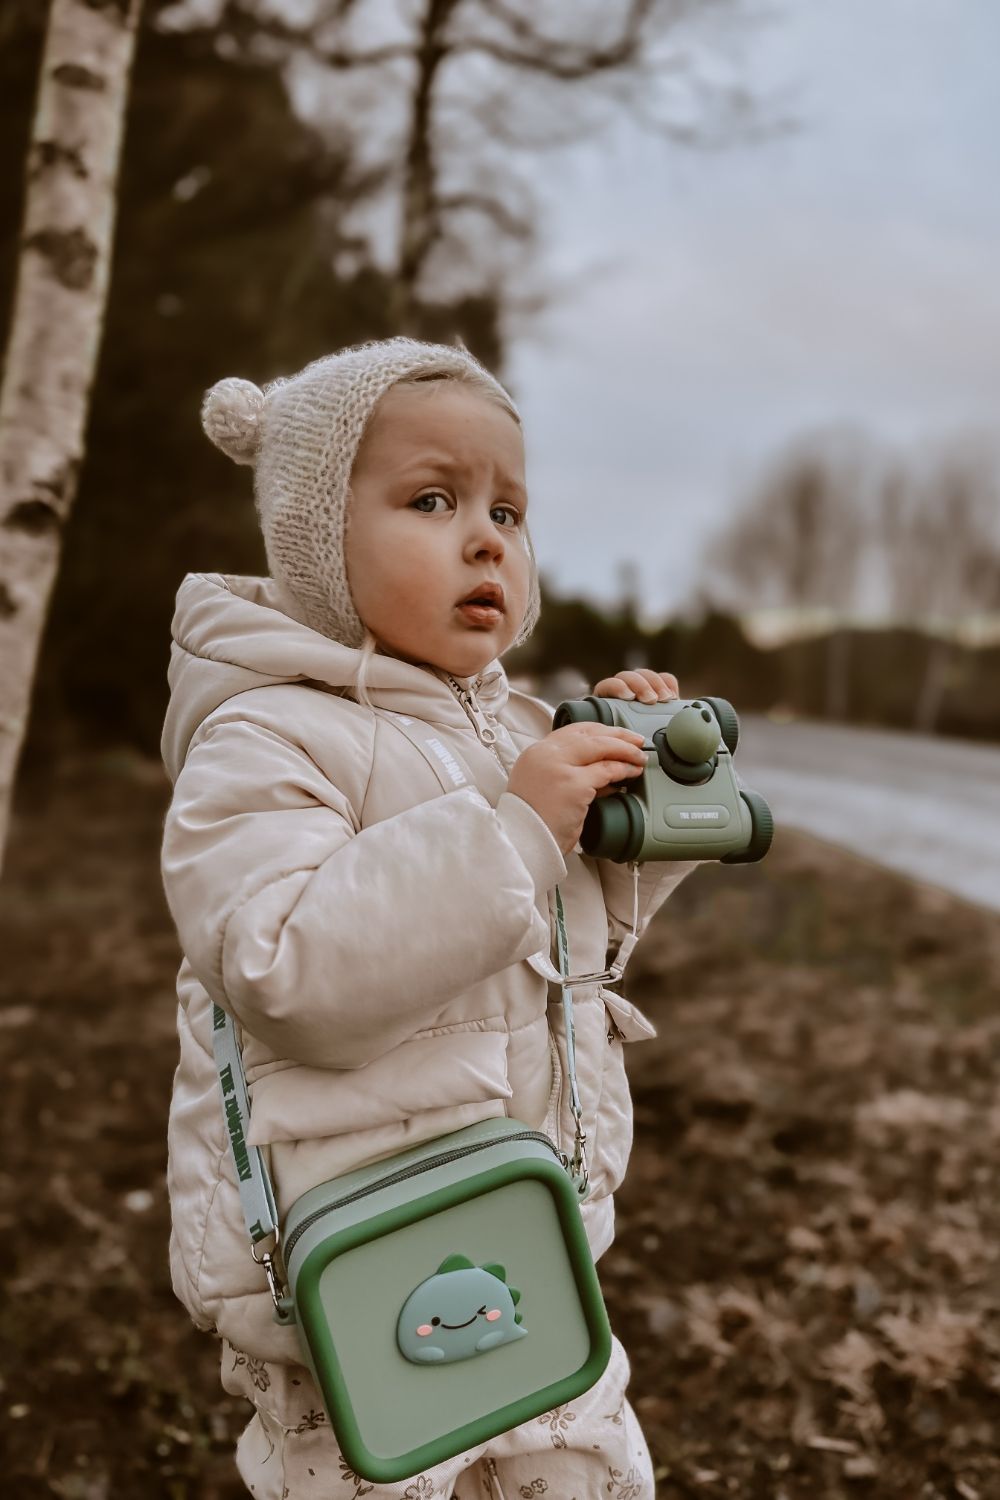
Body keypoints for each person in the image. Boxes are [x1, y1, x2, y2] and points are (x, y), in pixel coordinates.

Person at [159, 336, 697, 1499]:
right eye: (434, 499)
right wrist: (510, 830)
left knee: (585, 1472)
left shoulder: (512, 736)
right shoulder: (261, 737)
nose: (486, 536)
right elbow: (285, 970)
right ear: (314, 539)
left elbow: (567, 941)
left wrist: (635, 819)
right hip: (350, 1259)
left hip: (527, 1226)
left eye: (509, 508)